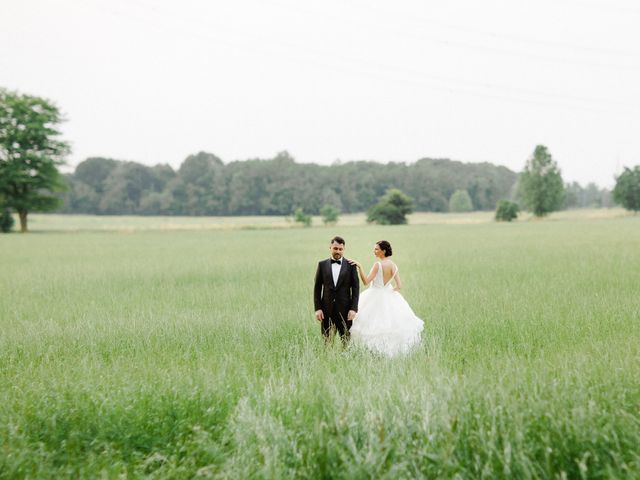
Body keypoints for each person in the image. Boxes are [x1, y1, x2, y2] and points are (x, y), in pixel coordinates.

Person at [349, 240, 424, 356]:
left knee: (371, 324)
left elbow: (365, 281)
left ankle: (373, 352)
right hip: (389, 294)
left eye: (376, 249)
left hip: (374, 295)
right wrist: (388, 292)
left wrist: (360, 267)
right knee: (390, 325)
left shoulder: (377, 265)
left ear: (383, 251)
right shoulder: (393, 266)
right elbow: (399, 286)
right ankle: (391, 352)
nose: (374, 251)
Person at [314, 236, 360, 345]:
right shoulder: (322, 265)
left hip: (345, 311)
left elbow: (355, 289)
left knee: (346, 342)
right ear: (330, 248)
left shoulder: (351, 266)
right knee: (326, 342)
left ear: (344, 249)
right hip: (326, 310)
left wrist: (353, 309)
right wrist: (318, 308)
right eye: (335, 248)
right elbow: (317, 288)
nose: (338, 251)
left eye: (340, 249)